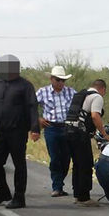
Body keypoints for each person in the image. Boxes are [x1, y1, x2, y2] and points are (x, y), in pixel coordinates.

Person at [0, 54, 40, 209]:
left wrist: (35, 128)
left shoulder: (25, 86)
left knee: (19, 164)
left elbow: (32, 107)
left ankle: (19, 197)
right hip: (0, 131)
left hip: (18, 131)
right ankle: (3, 192)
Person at [64, 79, 109, 206]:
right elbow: (95, 116)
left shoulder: (80, 95)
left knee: (77, 164)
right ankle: (84, 197)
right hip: (79, 133)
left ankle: (78, 195)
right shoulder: (97, 97)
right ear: (103, 89)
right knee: (85, 164)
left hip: (68, 131)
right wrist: (104, 134)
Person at [37, 65, 76, 197]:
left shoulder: (71, 92)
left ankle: (59, 183)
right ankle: (57, 186)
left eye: (62, 80)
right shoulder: (42, 92)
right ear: (52, 79)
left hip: (67, 128)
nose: (60, 83)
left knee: (66, 158)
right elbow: (29, 106)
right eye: (58, 80)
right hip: (51, 128)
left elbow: (79, 107)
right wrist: (38, 119)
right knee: (55, 157)